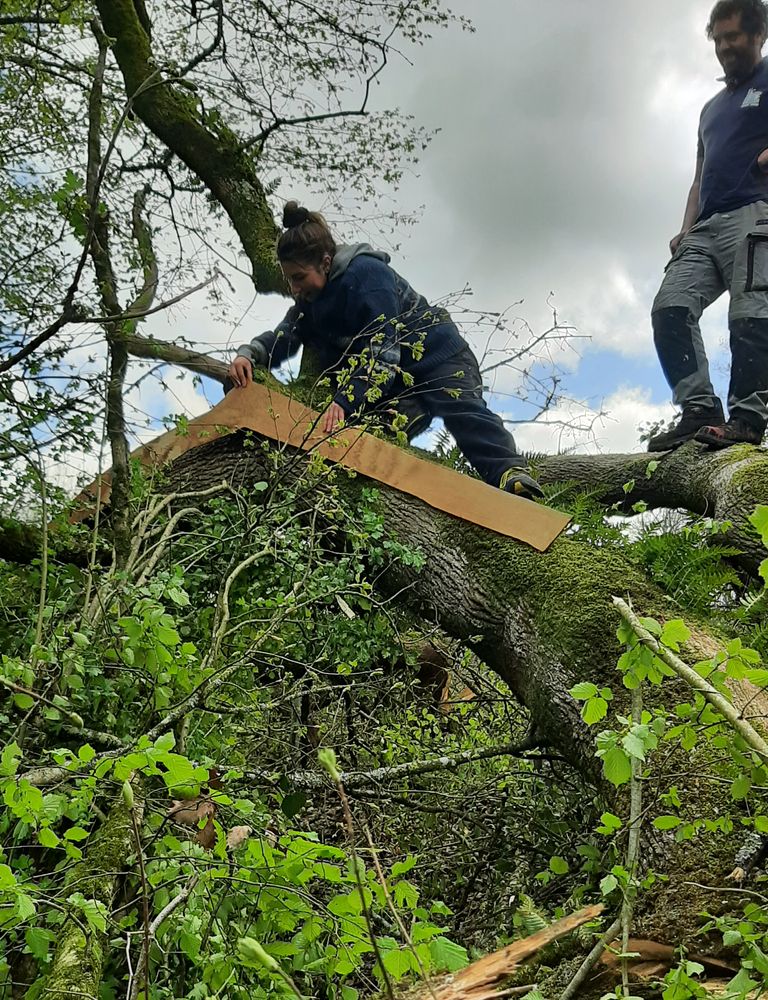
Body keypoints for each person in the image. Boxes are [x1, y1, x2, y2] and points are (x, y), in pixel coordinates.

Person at [228, 202, 543, 498]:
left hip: (439, 359)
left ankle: (510, 473)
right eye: (289, 280)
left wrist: (345, 400)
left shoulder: (366, 274)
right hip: (395, 383)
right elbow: (286, 336)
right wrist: (248, 354)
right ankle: (414, 408)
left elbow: (384, 350)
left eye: (299, 278)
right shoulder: (309, 301)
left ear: (325, 263)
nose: (295, 288)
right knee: (370, 434)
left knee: (461, 410)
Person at [649, 0, 768, 452]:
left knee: (751, 314)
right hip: (705, 225)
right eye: (717, 39)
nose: (723, 47)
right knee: (670, 307)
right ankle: (698, 408)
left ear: (758, 34)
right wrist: (684, 230)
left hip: (756, 215)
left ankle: (748, 418)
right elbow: (699, 177)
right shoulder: (710, 109)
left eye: (732, 36)